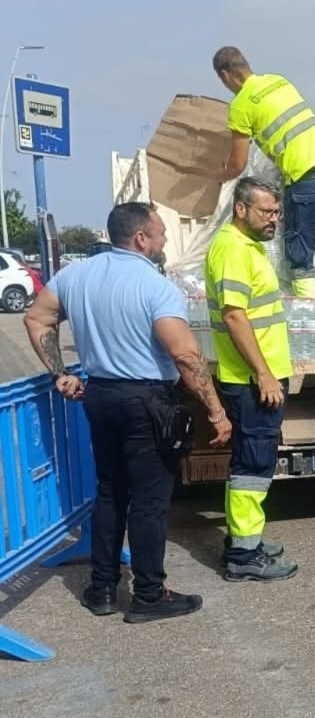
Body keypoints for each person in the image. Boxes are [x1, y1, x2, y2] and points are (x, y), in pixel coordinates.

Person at [23, 202, 232, 624]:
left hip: (100, 395)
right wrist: (216, 411)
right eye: (160, 234)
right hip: (146, 401)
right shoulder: (156, 287)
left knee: (110, 491)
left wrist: (61, 373)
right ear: (141, 238)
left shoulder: (74, 276)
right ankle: (149, 595)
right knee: (150, 502)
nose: (164, 241)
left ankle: (102, 589)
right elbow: (186, 356)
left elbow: (36, 319)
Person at [211, 46, 315, 300]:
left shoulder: (240, 105)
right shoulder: (278, 81)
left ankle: (309, 308)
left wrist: (216, 178)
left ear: (225, 76)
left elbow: (238, 162)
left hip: (304, 180)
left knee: (300, 252)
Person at [205, 177, 300, 582]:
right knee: (253, 463)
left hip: (259, 377)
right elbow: (234, 315)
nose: (274, 219)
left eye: (277, 212)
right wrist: (263, 373)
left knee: (253, 460)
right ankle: (244, 558)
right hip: (251, 381)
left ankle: (247, 540)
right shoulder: (231, 249)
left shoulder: (248, 248)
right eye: (266, 211)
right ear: (240, 209)